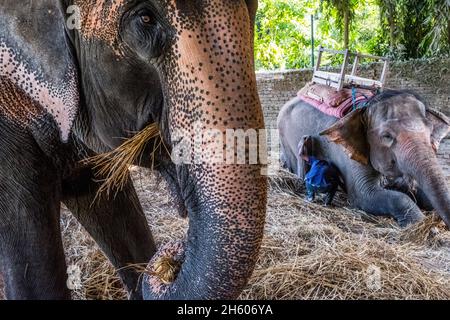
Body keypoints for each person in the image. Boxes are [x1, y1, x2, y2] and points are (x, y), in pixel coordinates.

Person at [298, 137, 342, 206]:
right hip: (322, 188)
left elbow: (301, 155)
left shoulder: (315, 161)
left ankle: (310, 198)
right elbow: (337, 180)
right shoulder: (330, 167)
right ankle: (327, 203)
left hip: (309, 185)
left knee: (309, 178)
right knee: (335, 184)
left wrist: (302, 144)